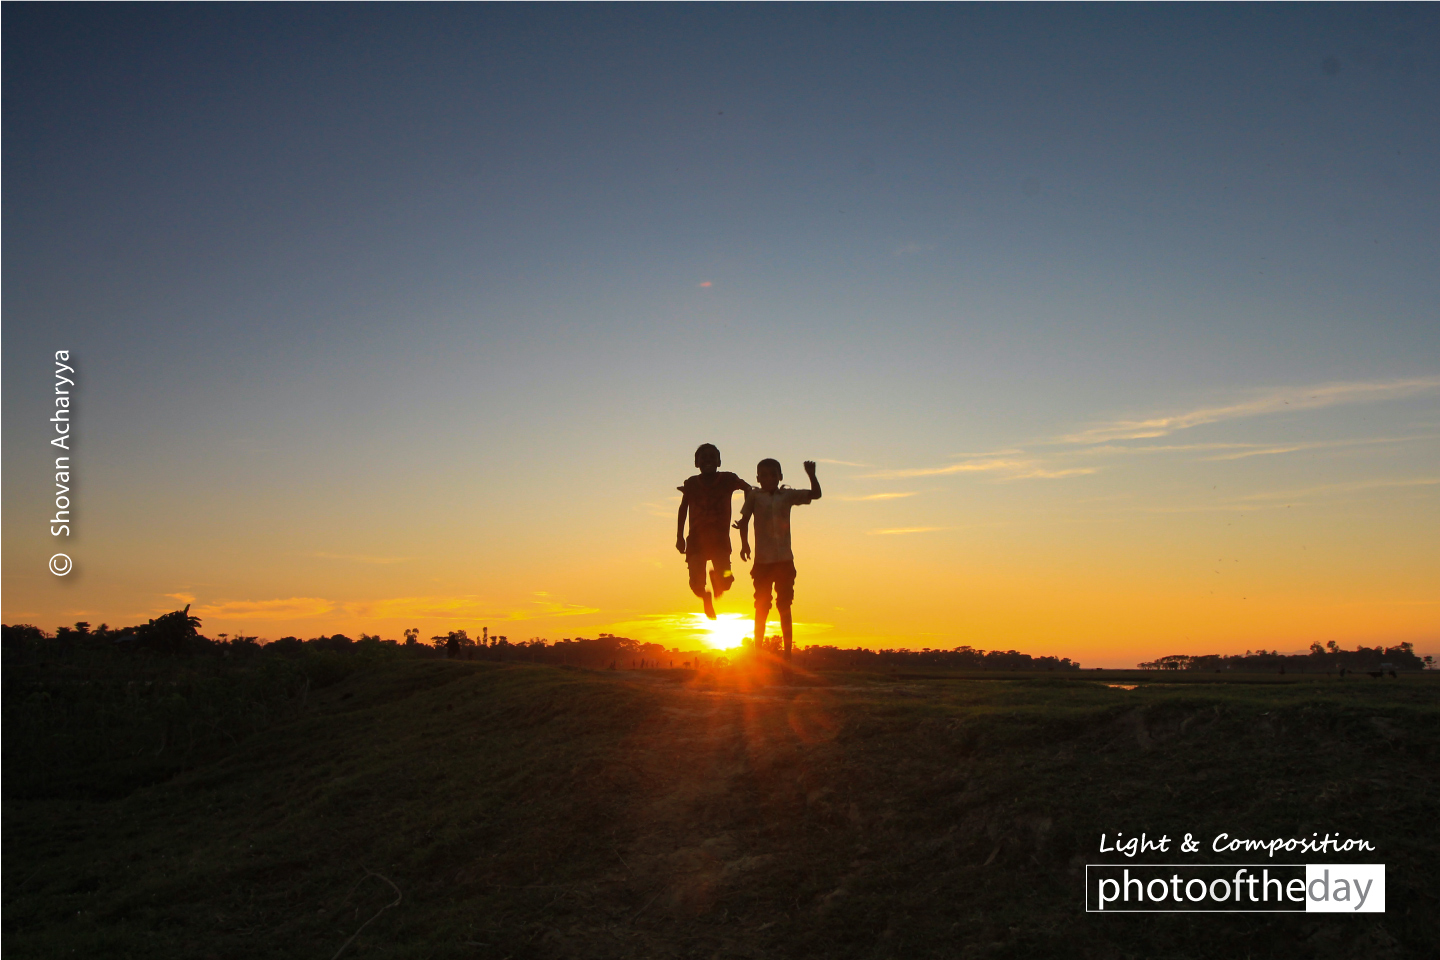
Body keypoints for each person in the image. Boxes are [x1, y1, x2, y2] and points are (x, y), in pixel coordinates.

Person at [735, 459, 821, 661]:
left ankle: (787, 654)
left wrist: (811, 474)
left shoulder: (786, 496)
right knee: (762, 606)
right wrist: (744, 544)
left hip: (783, 560)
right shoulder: (755, 497)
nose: (768, 479)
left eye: (772, 475)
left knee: (784, 606)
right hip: (762, 561)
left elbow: (815, 494)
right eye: (763, 476)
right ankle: (758, 653)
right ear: (758, 478)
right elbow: (745, 520)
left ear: (780, 477)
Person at [676, 443, 750, 619]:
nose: (708, 460)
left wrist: (745, 515)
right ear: (696, 463)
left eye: (712, 457)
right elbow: (683, 508)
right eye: (703, 458)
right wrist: (679, 536)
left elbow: (748, 488)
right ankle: (706, 597)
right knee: (696, 584)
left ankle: (717, 577)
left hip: (720, 541)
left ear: (719, 461)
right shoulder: (692, 483)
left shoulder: (728, 479)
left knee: (726, 581)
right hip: (696, 541)